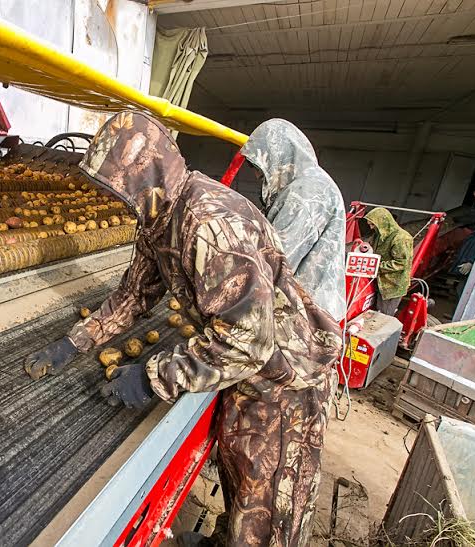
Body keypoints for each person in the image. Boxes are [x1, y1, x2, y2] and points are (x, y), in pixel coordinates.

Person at [24, 111, 342, 546]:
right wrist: (74, 343)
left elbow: (249, 341)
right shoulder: (159, 219)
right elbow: (135, 295)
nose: (120, 200)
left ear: (149, 174)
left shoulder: (209, 222)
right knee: (240, 485)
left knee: (268, 517)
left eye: (122, 188)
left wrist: (152, 378)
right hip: (248, 370)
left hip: (286, 378)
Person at [241, 119, 346, 322]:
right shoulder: (305, 184)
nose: (256, 175)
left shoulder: (306, 192)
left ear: (280, 156)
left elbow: (275, 260)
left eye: (258, 166)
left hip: (307, 316)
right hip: (301, 305)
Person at [365, 207, 413, 316]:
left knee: (383, 315)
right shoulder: (380, 234)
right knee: (376, 310)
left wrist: (375, 266)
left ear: (383, 223)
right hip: (379, 280)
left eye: (373, 225)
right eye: (370, 225)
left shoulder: (401, 238)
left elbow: (401, 263)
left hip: (392, 286)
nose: (372, 228)